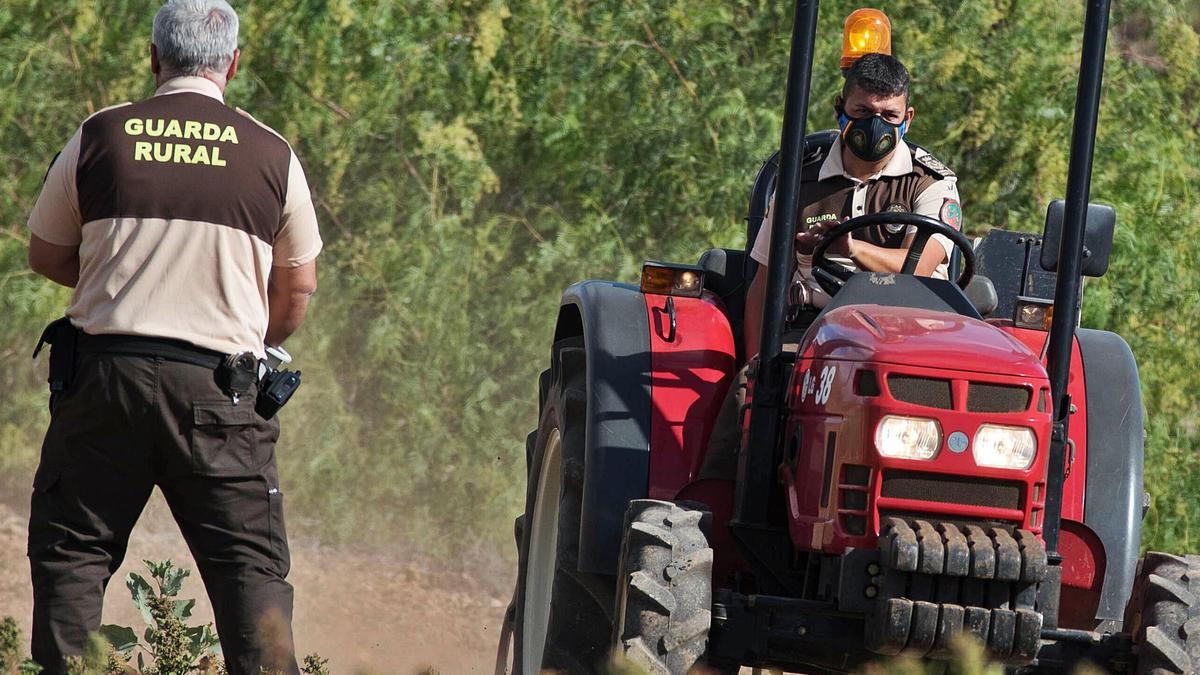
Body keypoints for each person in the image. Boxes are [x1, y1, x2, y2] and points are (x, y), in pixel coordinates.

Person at [24, 1, 320, 673]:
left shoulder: (99, 136)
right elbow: (297, 288)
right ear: (232, 65)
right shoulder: (272, 153)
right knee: (252, 580)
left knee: (74, 556)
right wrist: (250, 331)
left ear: (154, 59)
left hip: (104, 381)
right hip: (221, 393)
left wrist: (114, 281)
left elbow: (45, 253)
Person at [701, 52, 962, 479]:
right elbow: (765, 282)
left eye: (888, 114)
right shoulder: (798, 183)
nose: (875, 125)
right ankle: (721, 503)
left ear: (907, 117)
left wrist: (851, 247)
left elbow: (916, 268)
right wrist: (757, 365)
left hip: (909, 340)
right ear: (839, 108)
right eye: (862, 112)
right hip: (810, 334)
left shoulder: (931, 184)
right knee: (747, 398)